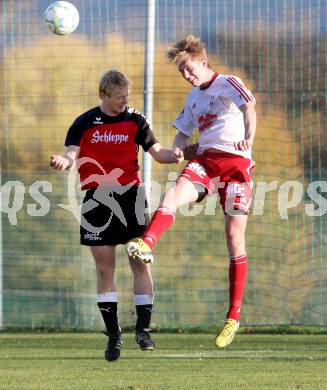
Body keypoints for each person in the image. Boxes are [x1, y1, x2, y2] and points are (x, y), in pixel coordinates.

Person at [126, 35, 256, 349]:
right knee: (174, 194)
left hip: (237, 165)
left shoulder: (228, 83)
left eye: (188, 67)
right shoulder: (193, 99)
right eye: (182, 71)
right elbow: (183, 135)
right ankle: (147, 243)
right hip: (207, 163)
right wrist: (177, 151)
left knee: (234, 238)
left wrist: (248, 138)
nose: (186, 74)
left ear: (202, 61)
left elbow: (249, 106)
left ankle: (233, 318)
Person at [50, 70, 184, 362]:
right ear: (103, 95)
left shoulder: (135, 119)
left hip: (130, 198)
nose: (125, 100)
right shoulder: (84, 123)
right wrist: (64, 161)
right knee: (104, 269)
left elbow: (157, 152)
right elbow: (72, 155)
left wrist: (172, 155)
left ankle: (143, 329)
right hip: (97, 199)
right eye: (119, 97)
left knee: (139, 259)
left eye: (127, 95)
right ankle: (113, 337)